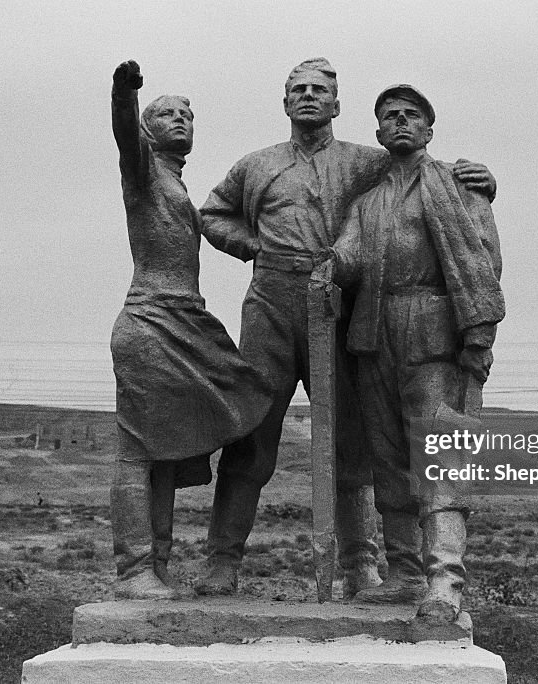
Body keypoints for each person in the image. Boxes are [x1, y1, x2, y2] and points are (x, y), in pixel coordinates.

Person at [195, 58, 497, 599]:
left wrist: (479, 182)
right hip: (272, 304)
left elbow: (425, 175)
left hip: (343, 311)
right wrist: (254, 246)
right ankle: (222, 562)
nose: (309, 97)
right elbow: (212, 215)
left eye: (321, 91)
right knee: (251, 435)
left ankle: (364, 566)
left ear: (337, 105)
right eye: (298, 90)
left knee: (356, 443)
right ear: (285, 102)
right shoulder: (256, 166)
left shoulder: (368, 163)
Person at [329, 84, 505, 622]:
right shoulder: (367, 202)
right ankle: (404, 571)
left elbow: (485, 261)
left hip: (435, 331)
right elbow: (350, 256)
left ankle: (444, 580)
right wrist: (327, 265)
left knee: (440, 452)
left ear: (429, 130)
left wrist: (477, 335)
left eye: (411, 115)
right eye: (390, 116)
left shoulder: (460, 186)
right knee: (388, 458)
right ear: (379, 134)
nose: (400, 121)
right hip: (376, 334)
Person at [108, 60, 271, 600]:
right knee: (139, 451)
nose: (179, 119)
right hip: (151, 321)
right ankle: (136, 570)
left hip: (185, 319)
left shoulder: (176, 181)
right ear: (148, 129)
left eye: (187, 115)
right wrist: (124, 95)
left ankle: (158, 565)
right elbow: (125, 141)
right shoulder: (145, 171)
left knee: (175, 444)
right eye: (166, 114)